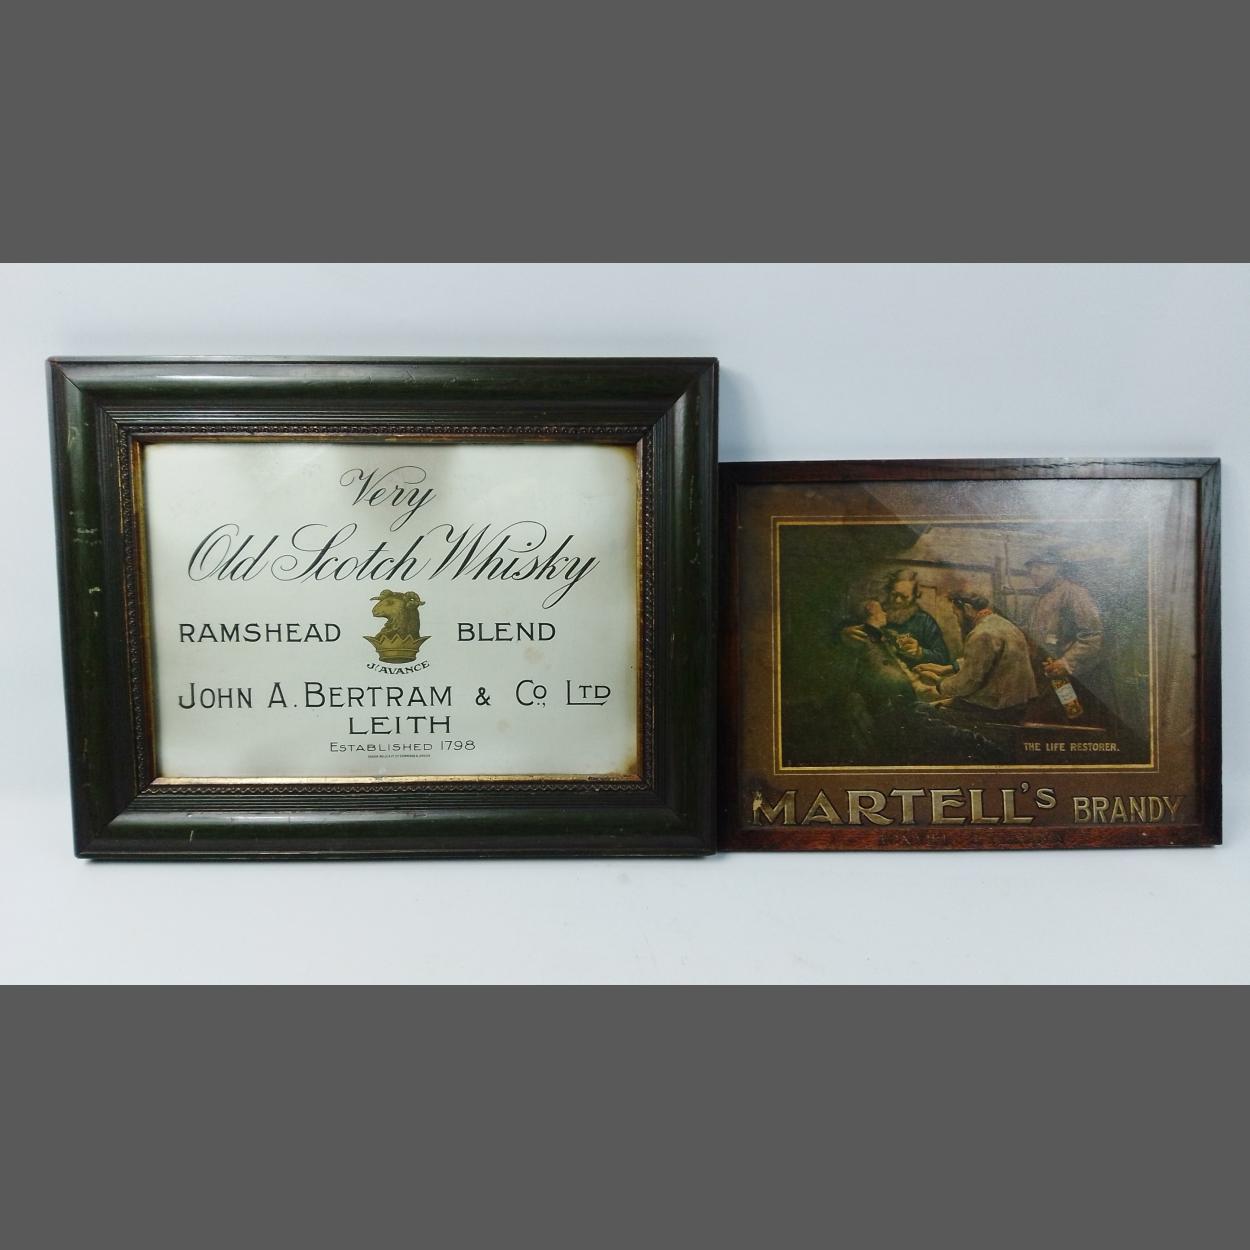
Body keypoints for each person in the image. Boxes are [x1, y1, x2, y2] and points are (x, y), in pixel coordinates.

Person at [915, 592, 1037, 721]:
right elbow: (986, 659)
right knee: (933, 706)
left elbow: (967, 683)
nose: (958, 621)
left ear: (967, 609)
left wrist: (939, 682)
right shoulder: (1003, 624)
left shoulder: (982, 634)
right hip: (1017, 704)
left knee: (921, 710)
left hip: (996, 709)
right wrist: (947, 668)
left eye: (956, 615)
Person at [841, 570, 950, 667]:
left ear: (915, 596)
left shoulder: (924, 621)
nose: (897, 600)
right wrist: (844, 634)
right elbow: (841, 631)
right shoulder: (874, 611)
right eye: (894, 595)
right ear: (888, 592)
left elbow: (943, 658)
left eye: (904, 597)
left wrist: (920, 652)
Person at [1024, 551, 1103, 683]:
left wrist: (1066, 662)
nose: (1033, 573)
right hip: (1048, 667)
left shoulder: (1075, 593)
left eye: (1038, 568)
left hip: (1073, 672)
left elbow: (1092, 635)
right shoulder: (1041, 596)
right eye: (1030, 568)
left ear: (1055, 569)